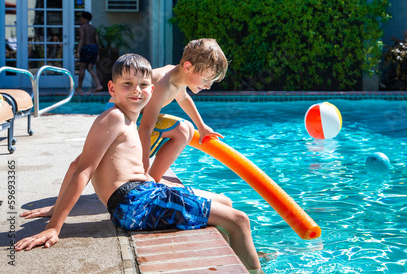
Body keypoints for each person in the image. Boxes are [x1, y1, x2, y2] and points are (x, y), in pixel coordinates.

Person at [15, 54, 262, 272]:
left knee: (226, 202)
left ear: (152, 90)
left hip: (142, 196)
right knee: (239, 220)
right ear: (112, 88)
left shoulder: (125, 119)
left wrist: (55, 206)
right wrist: (55, 225)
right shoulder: (112, 118)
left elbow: (77, 163)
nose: (137, 90)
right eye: (128, 85)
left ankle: (236, 261)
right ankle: (255, 270)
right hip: (135, 204)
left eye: (143, 85)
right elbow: (83, 170)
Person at [137, 38, 228, 182]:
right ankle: (148, 178)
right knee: (182, 130)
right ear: (187, 67)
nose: (208, 86)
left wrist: (202, 127)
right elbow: (145, 129)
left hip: (132, 122)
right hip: (120, 124)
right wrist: (143, 169)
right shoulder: (162, 83)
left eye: (212, 82)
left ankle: (153, 178)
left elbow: (184, 98)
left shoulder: (177, 78)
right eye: (206, 80)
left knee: (187, 129)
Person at [76, 11, 103, 93]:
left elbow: (82, 38)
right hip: (94, 48)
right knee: (90, 68)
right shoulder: (93, 28)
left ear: (83, 19)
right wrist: (97, 53)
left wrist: (77, 50)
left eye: (81, 18)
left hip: (86, 48)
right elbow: (97, 41)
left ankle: (79, 88)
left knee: (82, 68)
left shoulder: (82, 27)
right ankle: (98, 85)